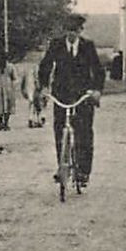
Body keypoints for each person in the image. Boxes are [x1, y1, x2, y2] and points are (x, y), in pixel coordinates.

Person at [36, 13, 104, 187]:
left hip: (83, 96)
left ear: (81, 30)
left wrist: (96, 90)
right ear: (65, 31)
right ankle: (62, 167)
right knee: (60, 130)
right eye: (69, 31)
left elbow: (98, 70)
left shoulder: (88, 46)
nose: (72, 34)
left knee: (85, 133)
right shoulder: (56, 45)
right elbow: (45, 66)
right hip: (62, 94)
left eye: (75, 30)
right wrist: (44, 87)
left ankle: (83, 172)